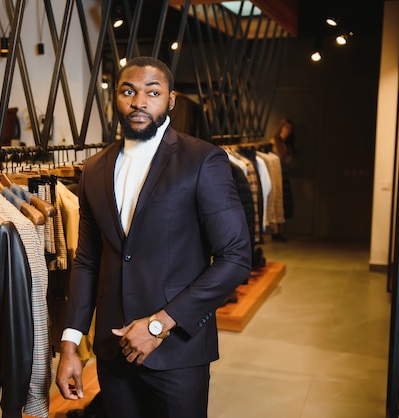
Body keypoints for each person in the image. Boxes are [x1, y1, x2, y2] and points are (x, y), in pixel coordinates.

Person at [54, 56, 252, 418]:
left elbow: (236, 258)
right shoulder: (94, 169)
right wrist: (70, 344)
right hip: (113, 353)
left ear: (170, 101)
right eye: (128, 91)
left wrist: (159, 323)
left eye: (152, 92)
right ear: (115, 97)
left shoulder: (202, 160)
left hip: (177, 352)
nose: (139, 102)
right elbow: (87, 260)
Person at [269, 117, 295, 241]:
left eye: (290, 129)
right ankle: (275, 232)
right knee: (277, 200)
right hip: (276, 174)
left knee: (282, 202)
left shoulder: (285, 144)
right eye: (286, 128)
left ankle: (277, 231)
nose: (288, 131)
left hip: (283, 174)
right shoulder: (275, 141)